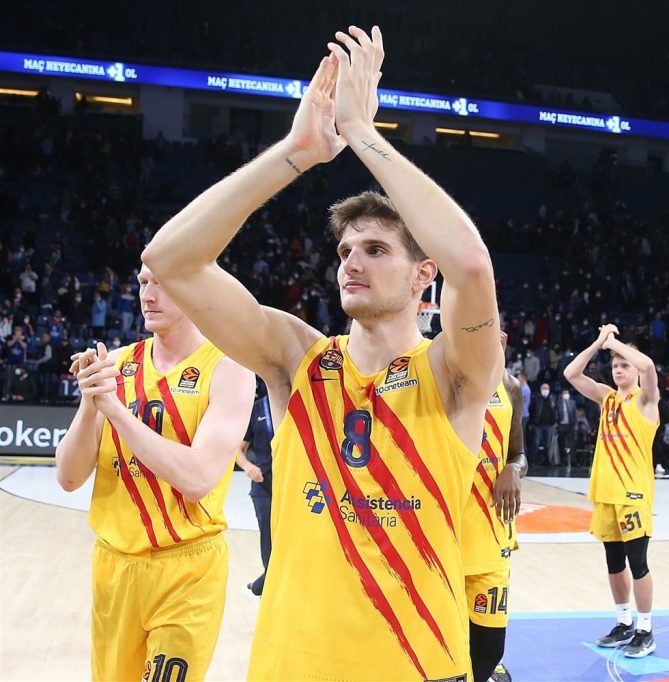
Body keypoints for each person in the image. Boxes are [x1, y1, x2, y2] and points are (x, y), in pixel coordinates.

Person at [142, 26, 503, 680]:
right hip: (291, 665)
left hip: (419, 666)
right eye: (344, 252)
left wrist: (363, 132)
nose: (352, 263)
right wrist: (297, 150)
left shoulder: (453, 371)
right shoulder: (296, 356)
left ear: (424, 276)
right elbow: (169, 261)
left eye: (376, 250)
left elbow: (473, 266)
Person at [54, 265, 255, 681]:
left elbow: (199, 479)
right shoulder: (119, 364)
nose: (148, 293)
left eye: (161, 281)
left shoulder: (229, 369)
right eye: (144, 281)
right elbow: (69, 478)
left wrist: (114, 410)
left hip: (187, 569)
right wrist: (90, 402)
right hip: (115, 566)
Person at [563, 324, 660, 658]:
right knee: (614, 562)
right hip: (606, 493)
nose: (619, 370)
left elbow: (648, 366)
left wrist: (615, 342)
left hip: (633, 494)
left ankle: (646, 629)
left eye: (624, 366)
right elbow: (571, 373)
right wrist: (598, 343)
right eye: (615, 365)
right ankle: (624, 622)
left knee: (638, 563)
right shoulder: (606, 398)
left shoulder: (646, 400)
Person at [463, 334, 527, 682]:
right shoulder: (443, 377)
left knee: (489, 649)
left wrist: (513, 468)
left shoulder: (510, 386)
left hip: (492, 533)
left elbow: (518, 451)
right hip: (445, 537)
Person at [235, 376, 274, 596]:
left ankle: (264, 584)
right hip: (263, 487)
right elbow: (237, 449)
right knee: (268, 538)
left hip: (292, 485)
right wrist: (248, 466)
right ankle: (268, 586)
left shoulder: (296, 405)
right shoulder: (257, 408)